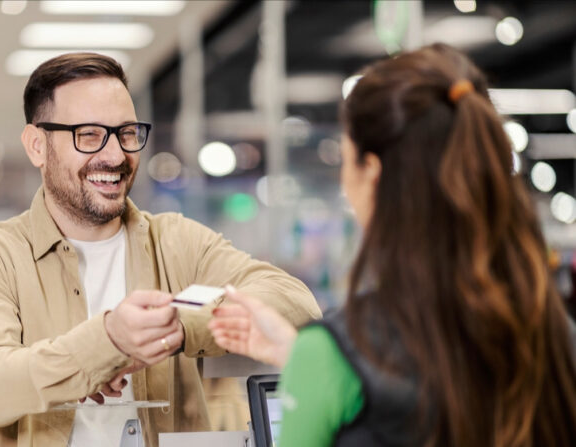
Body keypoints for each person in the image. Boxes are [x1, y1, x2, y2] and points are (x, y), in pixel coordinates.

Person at [0, 52, 321, 447]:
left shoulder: (176, 241)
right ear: (37, 145)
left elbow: (295, 304)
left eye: (126, 133)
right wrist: (108, 342)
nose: (115, 155)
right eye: (88, 135)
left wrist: (180, 328)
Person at [209, 43, 576, 446]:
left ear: (373, 173)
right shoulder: (552, 334)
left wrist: (319, 363)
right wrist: (305, 357)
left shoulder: (332, 355)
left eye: (347, 160)